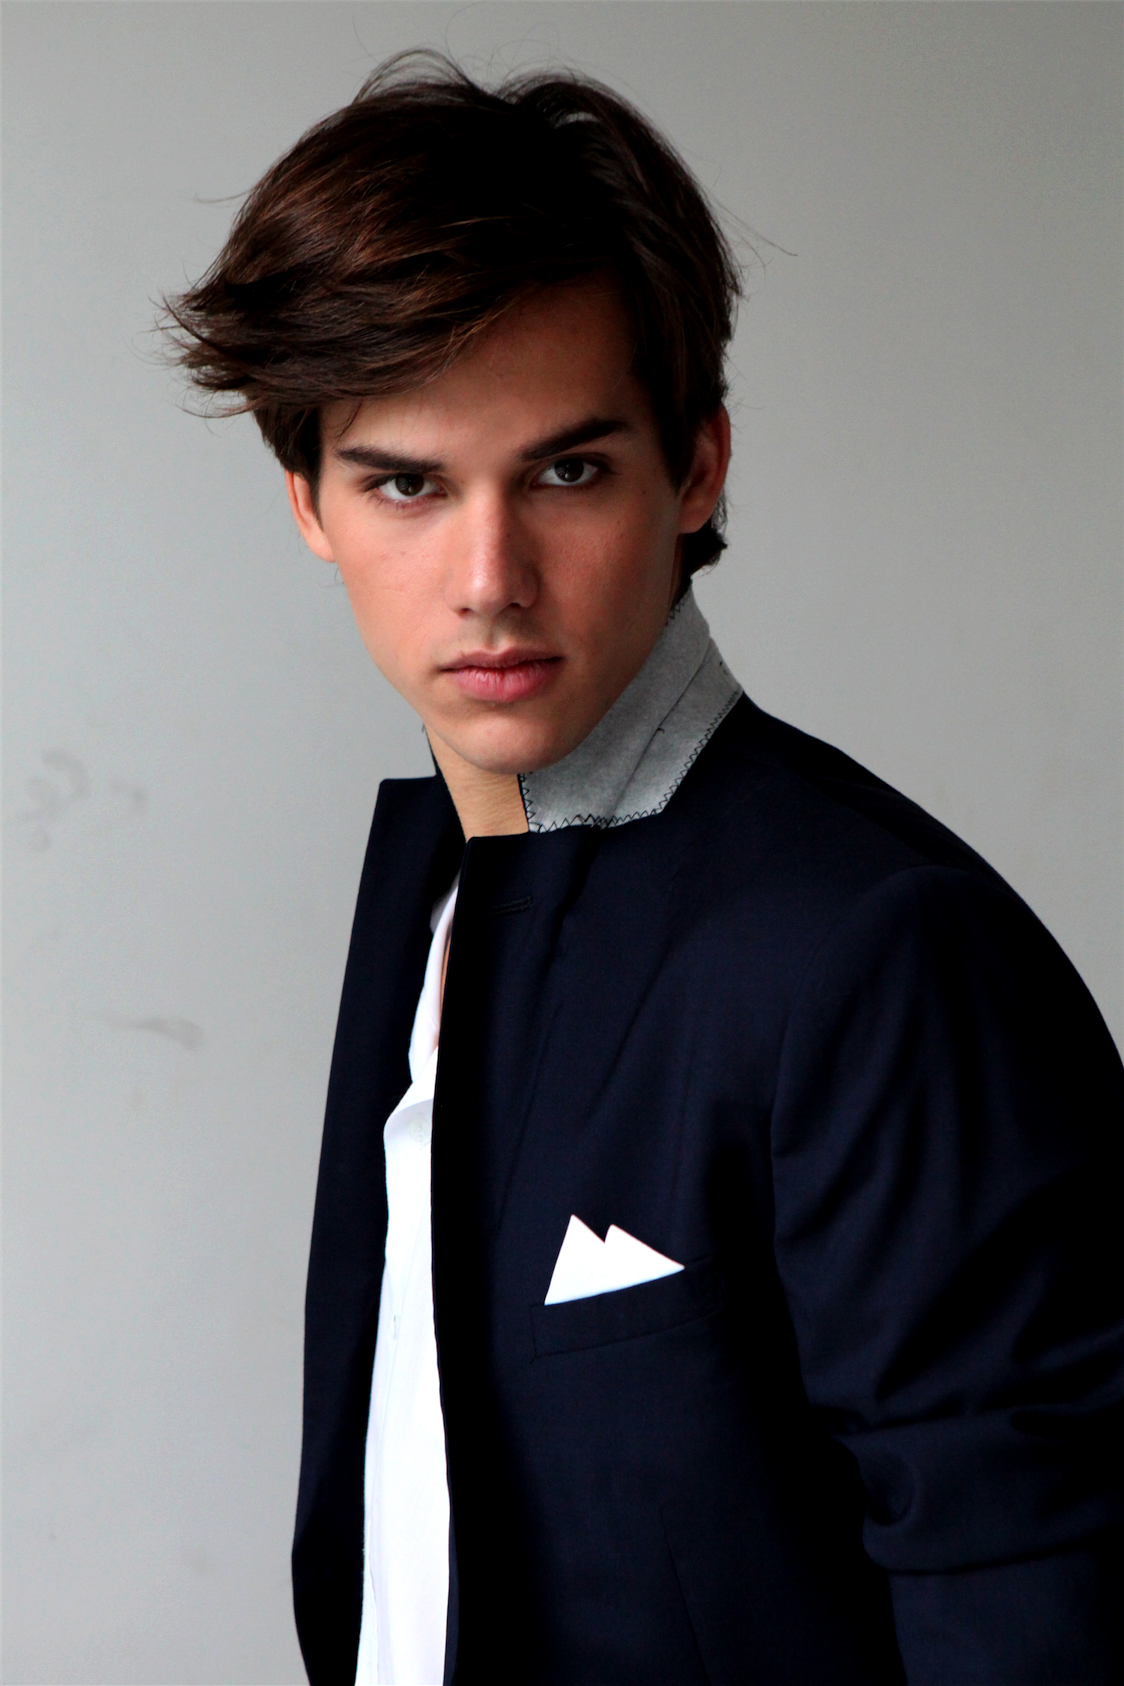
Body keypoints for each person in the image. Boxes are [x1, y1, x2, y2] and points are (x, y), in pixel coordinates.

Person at [165, 51, 1124, 1686]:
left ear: (697, 467)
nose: (489, 577)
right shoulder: (439, 907)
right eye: (407, 483)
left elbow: (1037, 1609)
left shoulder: (880, 952)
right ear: (309, 504)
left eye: (568, 470)